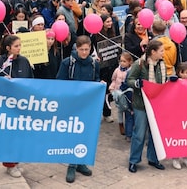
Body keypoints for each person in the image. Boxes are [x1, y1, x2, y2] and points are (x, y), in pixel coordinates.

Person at [56, 36, 99, 183]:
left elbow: (96, 81)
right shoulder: (67, 63)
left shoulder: (94, 64)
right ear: (76, 48)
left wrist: (100, 84)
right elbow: (59, 84)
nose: (84, 52)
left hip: (87, 106)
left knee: (85, 134)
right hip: (72, 106)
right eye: (82, 50)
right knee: (73, 135)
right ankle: (72, 165)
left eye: (87, 49)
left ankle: (81, 162)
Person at [126, 39, 174, 173]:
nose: (163, 54)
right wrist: (137, 83)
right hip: (141, 104)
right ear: (153, 52)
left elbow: (162, 81)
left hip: (156, 104)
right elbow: (129, 80)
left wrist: (171, 79)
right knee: (139, 134)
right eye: (161, 51)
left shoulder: (161, 64)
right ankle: (134, 160)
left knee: (154, 133)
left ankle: (153, 158)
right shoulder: (139, 64)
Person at [0, 35, 33, 178]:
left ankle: (16, 161)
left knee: (19, 135)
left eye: (20, 45)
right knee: (9, 136)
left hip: (21, 105)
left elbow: (31, 82)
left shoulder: (24, 61)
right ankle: (9, 165)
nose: (19, 48)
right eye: (16, 46)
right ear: (8, 48)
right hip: (6, 106)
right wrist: (3, 82)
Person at [109, 53, 134, 140]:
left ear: (129, 62)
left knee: (127, 110)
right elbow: (114, 80)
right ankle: (121, 124)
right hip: (118, 93)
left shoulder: (131, 71)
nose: (122, 63)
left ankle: (129, 129)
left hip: (127, 94)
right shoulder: (117, 70)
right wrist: (112, 88)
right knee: (120, 110)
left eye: (124, 61)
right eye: (121, 61)